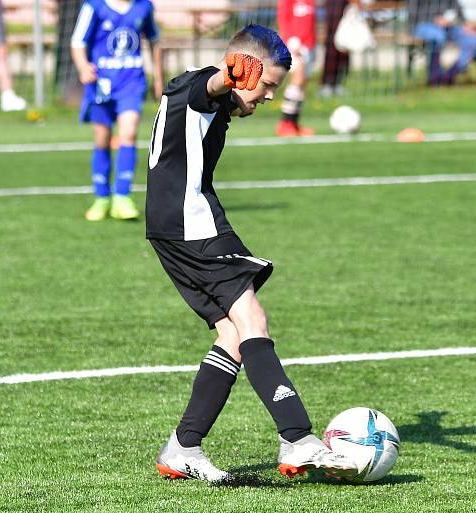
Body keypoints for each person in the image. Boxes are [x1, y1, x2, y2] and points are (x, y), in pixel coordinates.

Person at [145, 24, 357, 482]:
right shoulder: (198, 87)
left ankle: (183, 447)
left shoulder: (213, 98)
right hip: (192, 225)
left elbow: (219, 88)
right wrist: (233, 74)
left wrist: (240, 79)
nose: (267, 98)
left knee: (232, 335)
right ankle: (297, 437)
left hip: (177, 226)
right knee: (252, 320)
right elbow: (212, 84)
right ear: (243, 72)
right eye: (266, 86)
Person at [71, 0, 163, 221]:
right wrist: (83, 66)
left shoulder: (144, 7)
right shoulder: (94, 7)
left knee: (128, 133)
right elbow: (77, 42)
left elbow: (154, 41)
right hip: (100, 84)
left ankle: (122, 197)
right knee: (102, 138)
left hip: (131, 83)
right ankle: (102, 197)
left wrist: (158, 77)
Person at [409, 0, 476, 86]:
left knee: (474, 39)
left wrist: (465, 25)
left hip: (447, 27)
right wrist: (434, 20)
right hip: (422, 25)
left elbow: (457, 9)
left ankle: (448, 76)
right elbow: (412, 12)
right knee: (437, 35)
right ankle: (434, 77)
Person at [275, 0, 316, 136]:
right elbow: (283, 18)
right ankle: (285, 123)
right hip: (295, 44)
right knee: (297, 80)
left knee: (303, 84)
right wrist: (291, 41)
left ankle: (294, 123)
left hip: (308, 44)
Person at [318, 0, 355, 97]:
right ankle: (327, 83)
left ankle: (338, 83)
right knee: (331, 47)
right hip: (333, 9)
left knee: (344, 46)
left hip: (344, 7)